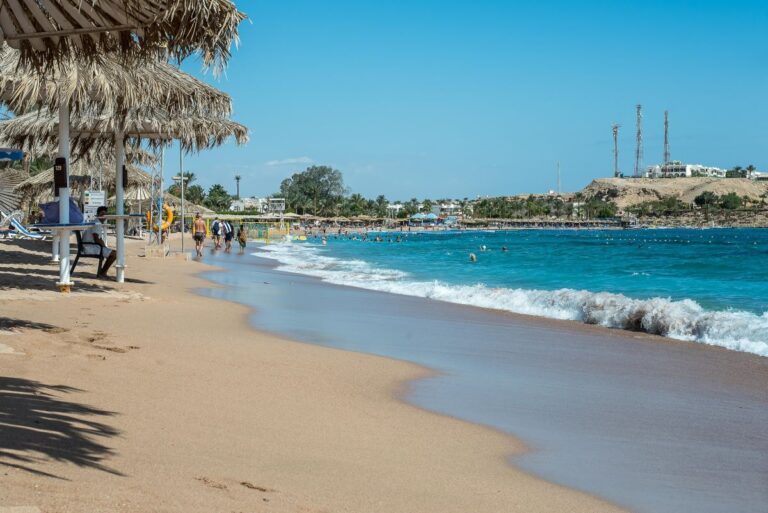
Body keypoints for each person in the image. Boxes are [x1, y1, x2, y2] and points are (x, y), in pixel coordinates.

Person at [82, 206, 116, 278]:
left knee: (113, 252)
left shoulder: (96, 222)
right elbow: (96, 238)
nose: (104, 216)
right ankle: (102, 273)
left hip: (90, 246)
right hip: (89, 247)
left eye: (105, 214)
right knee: (114, 254)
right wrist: (105, 248)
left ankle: (102, 272)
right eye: (102, 214)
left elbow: (97, 239)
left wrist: (105, 248)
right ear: (97, 214)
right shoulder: (97, 223)